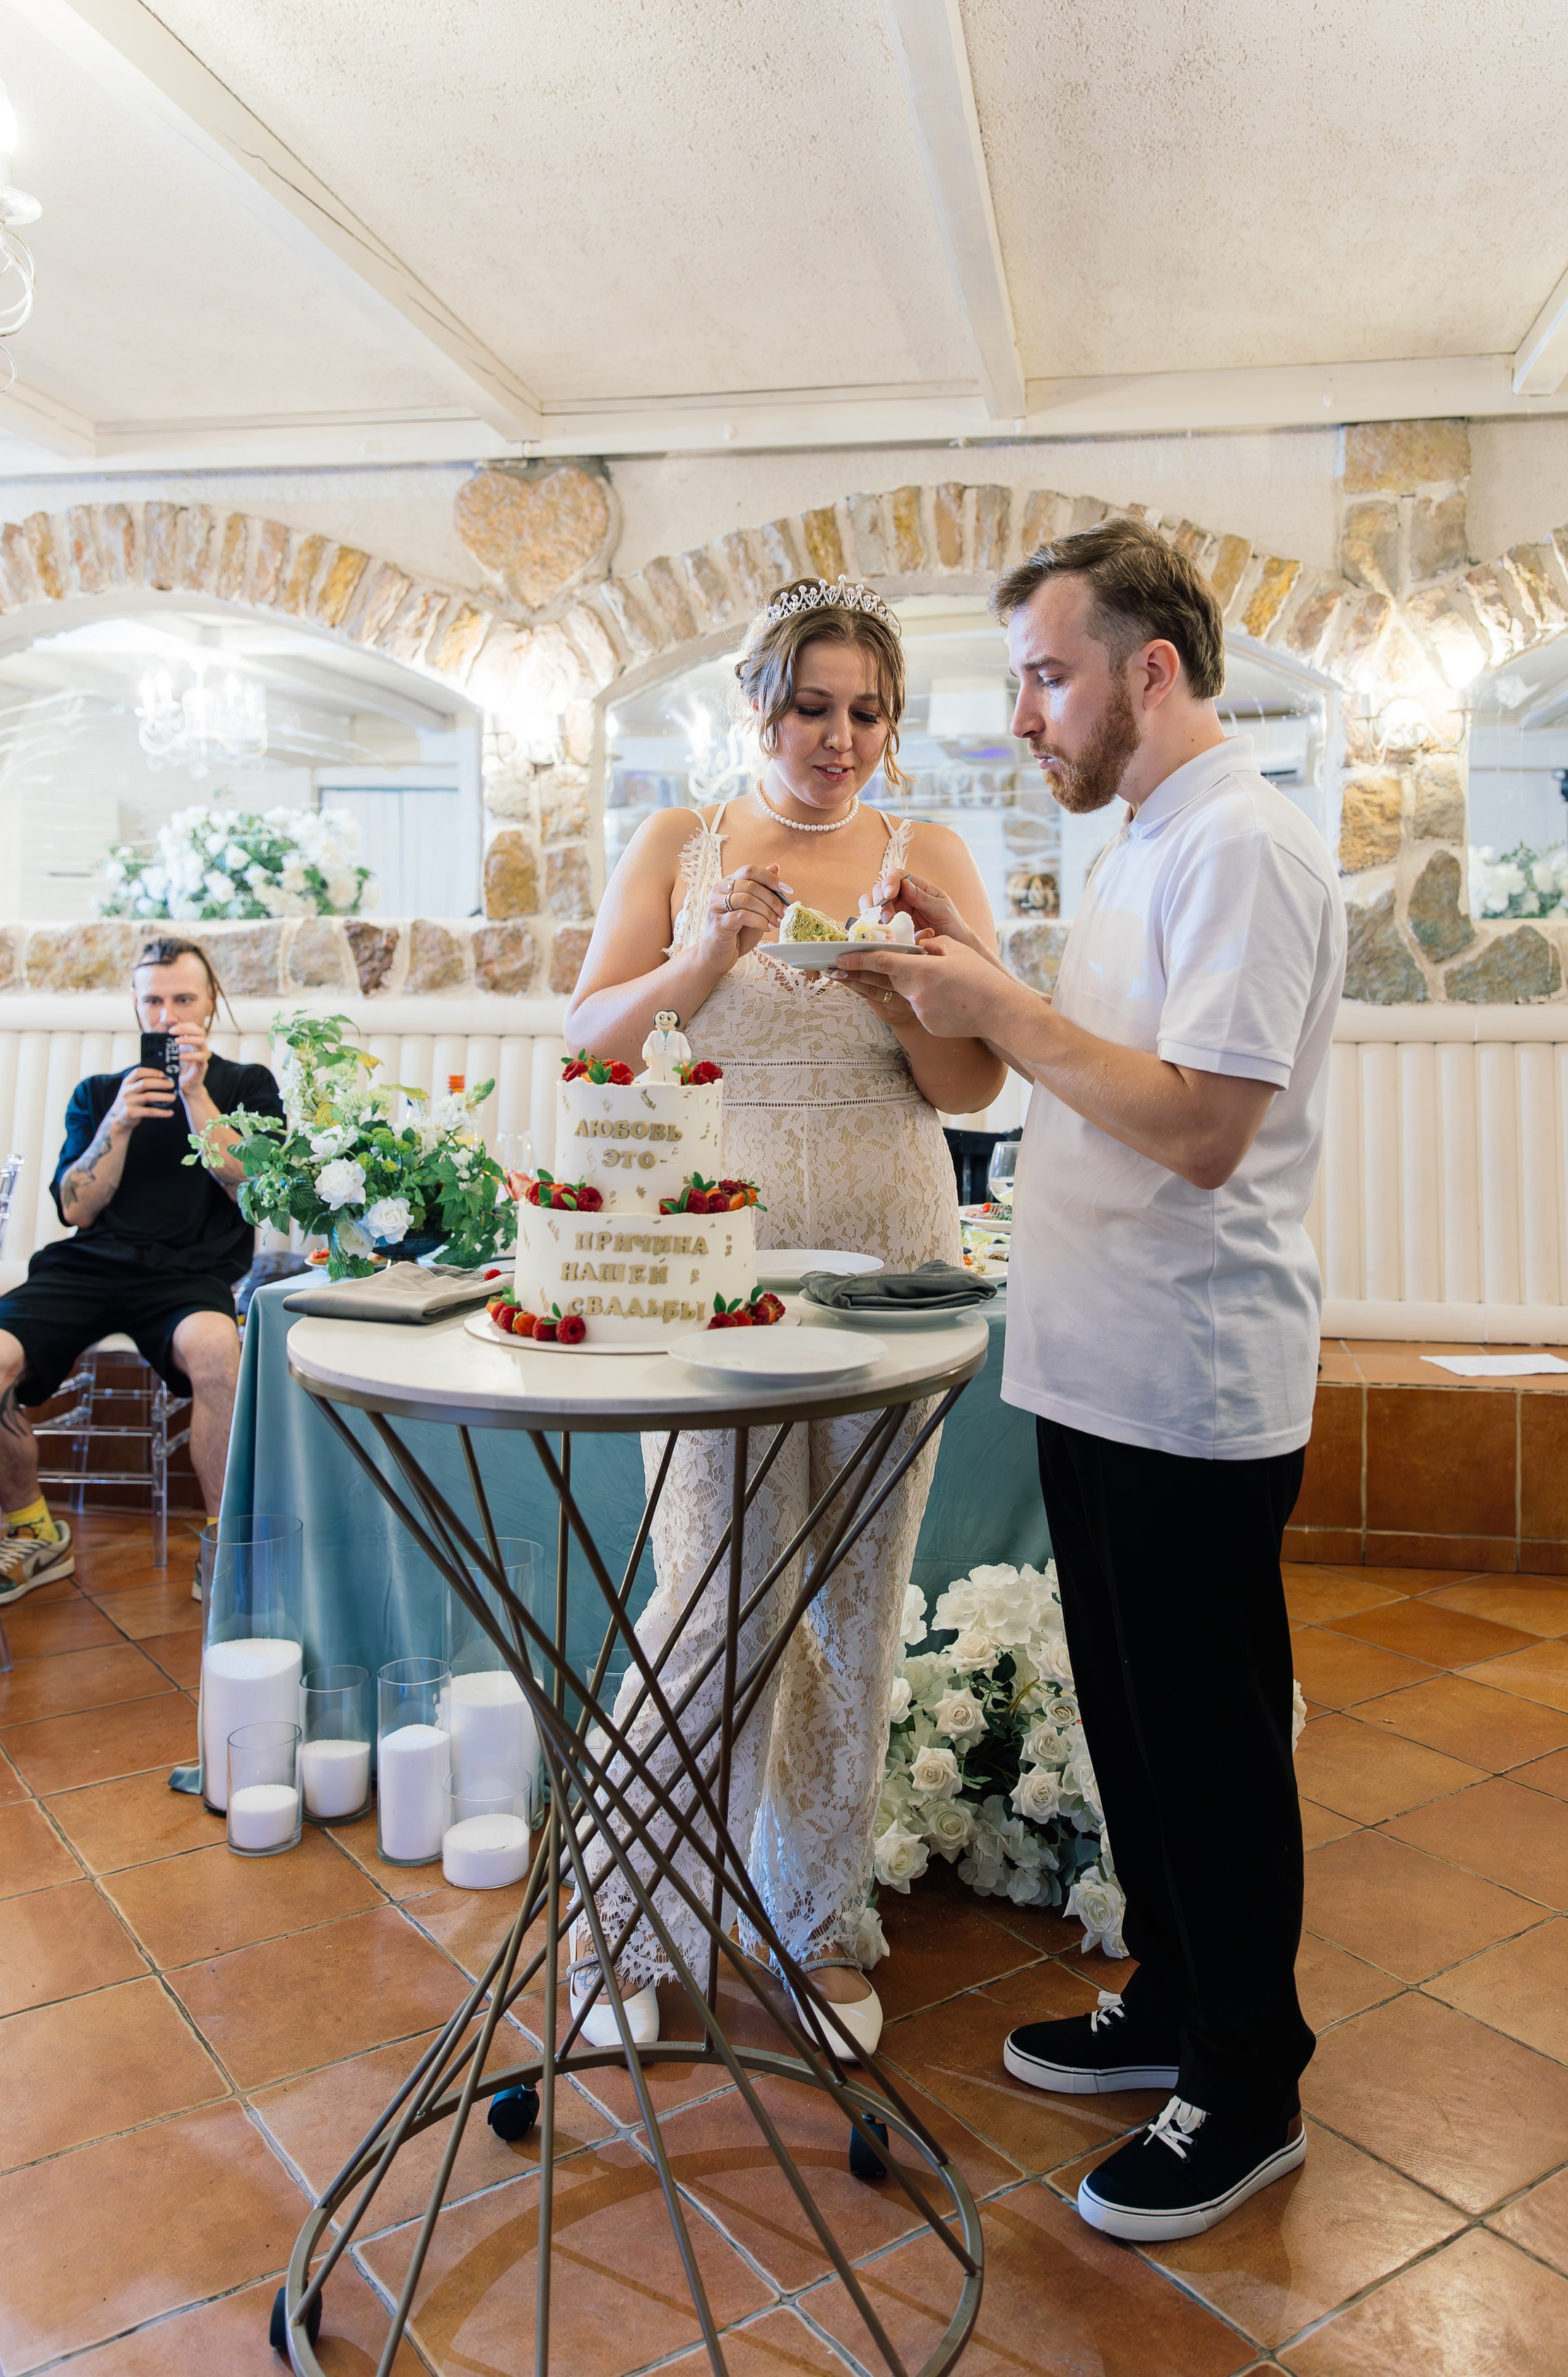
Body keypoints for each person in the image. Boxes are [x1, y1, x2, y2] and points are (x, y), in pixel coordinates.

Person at [841, 520, 1345, 2240]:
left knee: (1207, 1737)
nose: (1021, 715)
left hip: (1192, 1365)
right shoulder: (1138, 841)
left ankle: (1247, 2078)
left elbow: (1200, 1125)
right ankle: (1173, 1999)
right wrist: (956, 986)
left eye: (1046, 675)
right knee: (1131, 1719)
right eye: (1014, 682)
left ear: (1151, 667)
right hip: (1091, 1355)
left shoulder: (1247, 847)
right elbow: (1075, 1074)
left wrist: (997, 991)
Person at [562, 577, 1005, 2056]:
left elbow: (972, 1089)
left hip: (890, 1246)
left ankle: (814, 1917)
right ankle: (623, 1912)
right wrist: (700, 962)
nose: (839, 739)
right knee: (711, 1588)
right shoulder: (679, 842)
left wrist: (896, 993)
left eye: (867, 712)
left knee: (855, 1597)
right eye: (812, 707)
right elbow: (586, 1040)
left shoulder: (923, 849)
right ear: (759, 703)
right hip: (717, 1257)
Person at [0, 938, 284, 1615]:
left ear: (211, 1005)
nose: (167, 1017)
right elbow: (76, 1208)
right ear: (136, 1007)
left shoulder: (248, 1087)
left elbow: (253, 1186)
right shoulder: (101, 1094)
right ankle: (33, 1530)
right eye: (154, 1001)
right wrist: (118, 1122)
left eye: (183, 1000)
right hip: (90, 1267)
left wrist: (194, 1094)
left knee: (221, 1353)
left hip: (190, 1276)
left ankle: (226, 1543)